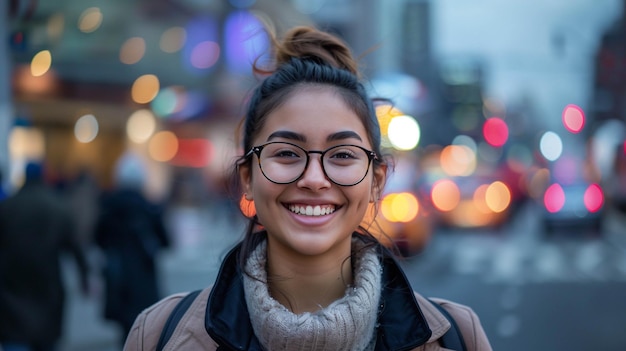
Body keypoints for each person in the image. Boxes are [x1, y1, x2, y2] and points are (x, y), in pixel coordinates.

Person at [124, 25, 492, 350]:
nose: (314, 179)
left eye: (342, 155)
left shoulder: (458, 338)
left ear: (376, 180)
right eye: (286, 152)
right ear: (248, 177)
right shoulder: (159, 335)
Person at [0, 161, 90, 351]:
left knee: (15, 341)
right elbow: (75, 248)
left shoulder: (8, 207)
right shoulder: (57, 207)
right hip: (47, 289)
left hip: (12, 291)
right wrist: (85, 278)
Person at [95, 152, 171, 345]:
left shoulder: (108, 206)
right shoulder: (149, 208)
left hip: (118, 277)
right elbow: (166, 241)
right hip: (143, 277)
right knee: (145, 331)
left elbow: (97, 238)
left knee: (124, 333)